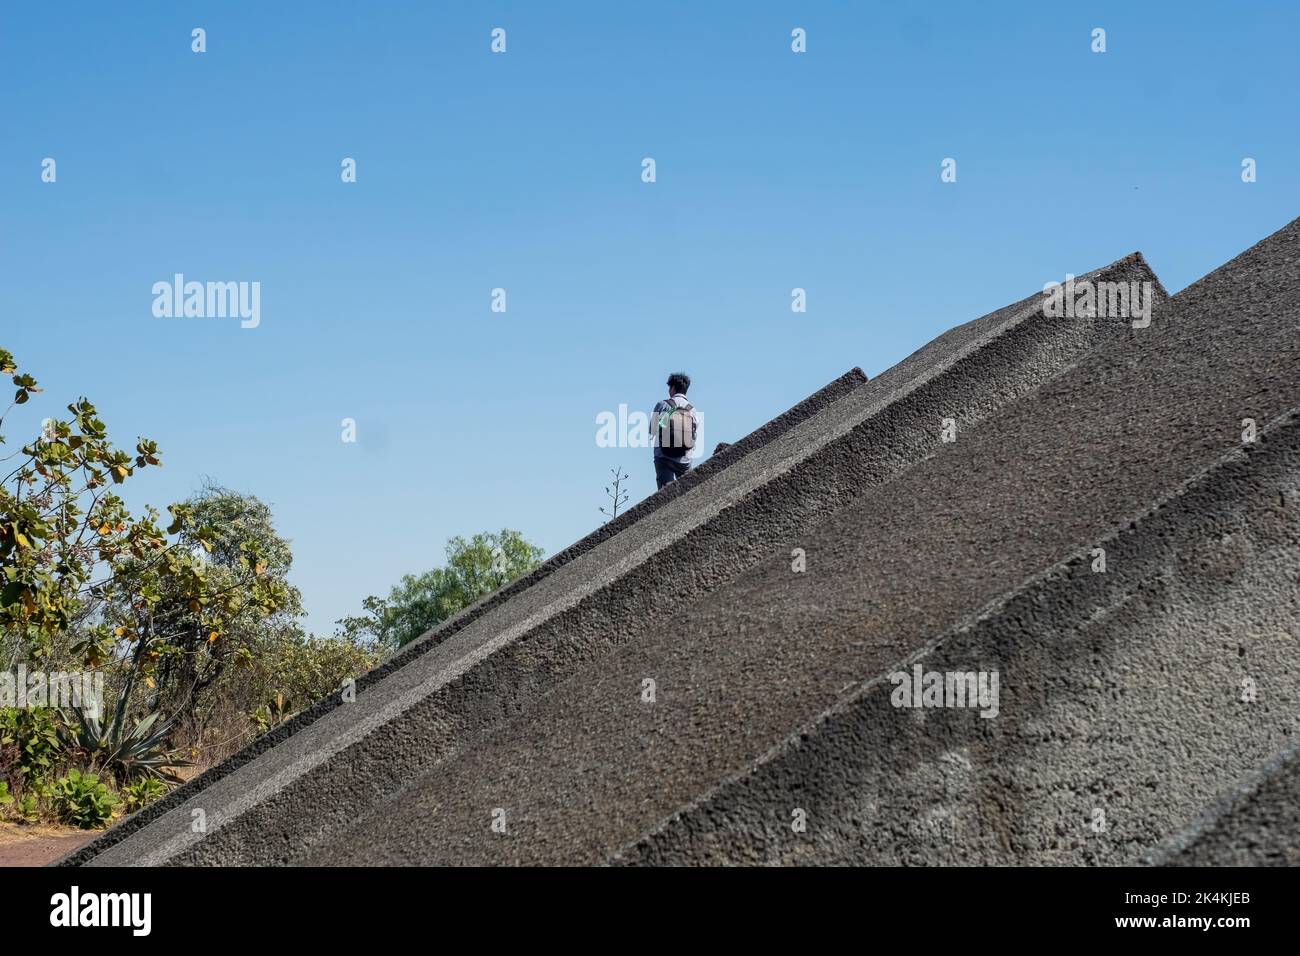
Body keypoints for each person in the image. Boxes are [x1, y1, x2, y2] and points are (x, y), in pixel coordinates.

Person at [652, 372, 700, 489]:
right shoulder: (692, 409)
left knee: (665, 493)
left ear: (672, 388)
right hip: (684, 458)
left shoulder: (663, 405)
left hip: (664, 455)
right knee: (687, 491)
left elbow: (652, 429)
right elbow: (694, 432)